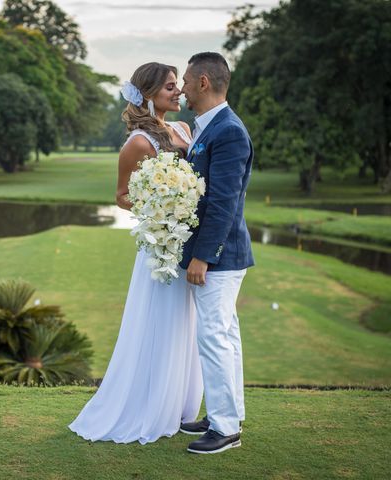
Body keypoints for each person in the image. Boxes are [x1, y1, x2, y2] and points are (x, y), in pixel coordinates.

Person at [68, 62, 204, 445]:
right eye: (170, 87)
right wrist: (161, 210)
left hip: (186, 242)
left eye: (179, 86)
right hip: (161, 245)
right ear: (149, 94)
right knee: (157, 322)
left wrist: (185, 205)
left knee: (184, 323)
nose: (178, 92)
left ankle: (179, 404)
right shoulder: (139, 142)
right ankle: (148, 406)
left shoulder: (183, 129)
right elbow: (121, 196)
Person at [177, 52, 254, 454]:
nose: (183, 89)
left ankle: (225, 429)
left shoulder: (228, 131)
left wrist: (203, 256)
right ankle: (227, 413)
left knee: (214, 337)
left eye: (186, 81)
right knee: (226, 335)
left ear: (203, 82)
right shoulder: (208, 128)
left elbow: (224, 202)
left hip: (221, 258)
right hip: (220, 257)